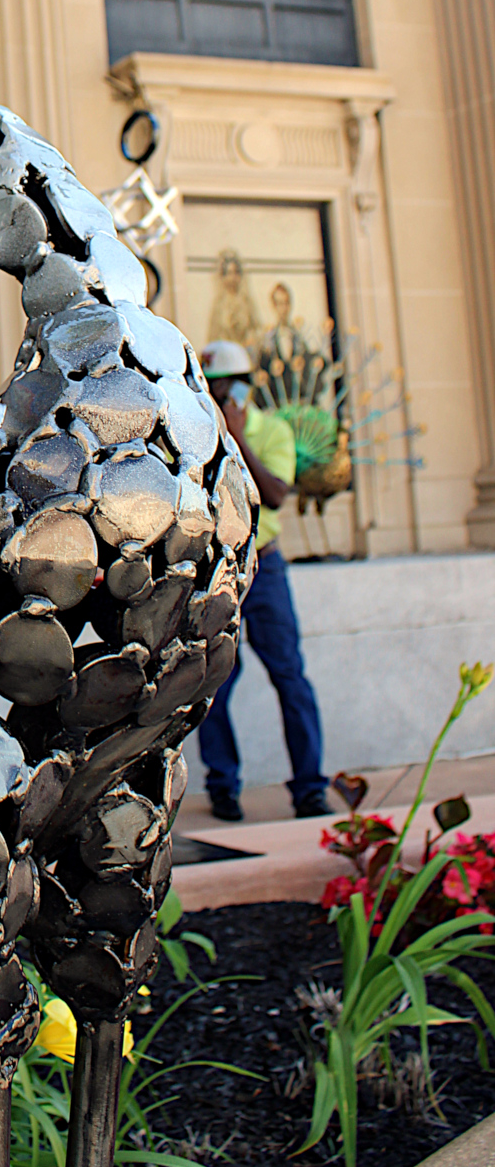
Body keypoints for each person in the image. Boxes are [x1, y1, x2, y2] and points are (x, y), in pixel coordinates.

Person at [196, 340, 331, 823]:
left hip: (265, 566)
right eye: (208, 386)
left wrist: (238, 440)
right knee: (214, 683)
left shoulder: (271, 431)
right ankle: (223, 786)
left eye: (223, 386)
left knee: (290, 676)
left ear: (244, 389)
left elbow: (274, 494)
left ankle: (311, 788)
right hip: (220, 568)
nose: (214, 394)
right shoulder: (196, 433)